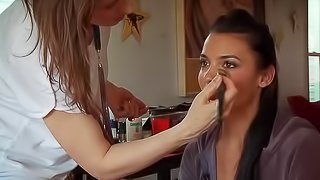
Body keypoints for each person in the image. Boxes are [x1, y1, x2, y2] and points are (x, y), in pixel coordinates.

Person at [0, 0, 238, 179]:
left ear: (266, 76)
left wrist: (105, 90)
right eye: (113, 1)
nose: (130, 7)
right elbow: (100, 162)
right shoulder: (29, 43)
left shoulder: (96, 16)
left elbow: (71, 76)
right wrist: (188, 128)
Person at [179, 9, 320, 180]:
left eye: (229, 64)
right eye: (204, 63)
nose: (208, 76)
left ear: (265, 77)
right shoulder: (196, 149)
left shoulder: (300, 145)